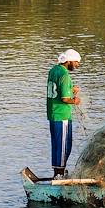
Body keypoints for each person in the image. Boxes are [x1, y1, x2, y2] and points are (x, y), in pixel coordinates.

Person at [45, 49, 82, 178]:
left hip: (53, 114)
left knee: (56, 144)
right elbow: (64, 99)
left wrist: (71, 89)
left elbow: (58, 89)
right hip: (62, 116)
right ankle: (59, 175)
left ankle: (57, 172)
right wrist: (75, 100)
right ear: (69, 61)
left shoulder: (53, 70)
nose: (77, 65)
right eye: (76, 62)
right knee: (64, 146)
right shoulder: (65, 75)